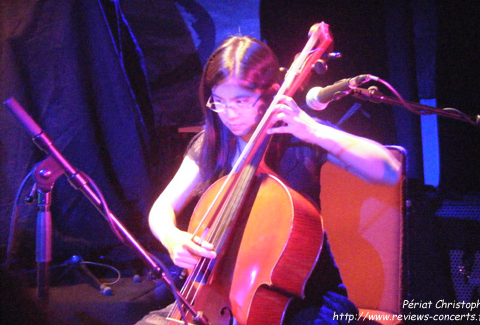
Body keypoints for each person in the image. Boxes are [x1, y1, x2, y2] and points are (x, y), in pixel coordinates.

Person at [137, 36, 401, 325]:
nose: (229, 113)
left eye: (241, 101)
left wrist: (312, 130)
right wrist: (172, 238)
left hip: (299, 297)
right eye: (220, 102)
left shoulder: (298, 137)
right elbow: (161, 210)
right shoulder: (212, 143)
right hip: (216, 296)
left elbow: (388, 171)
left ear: (269, 95)